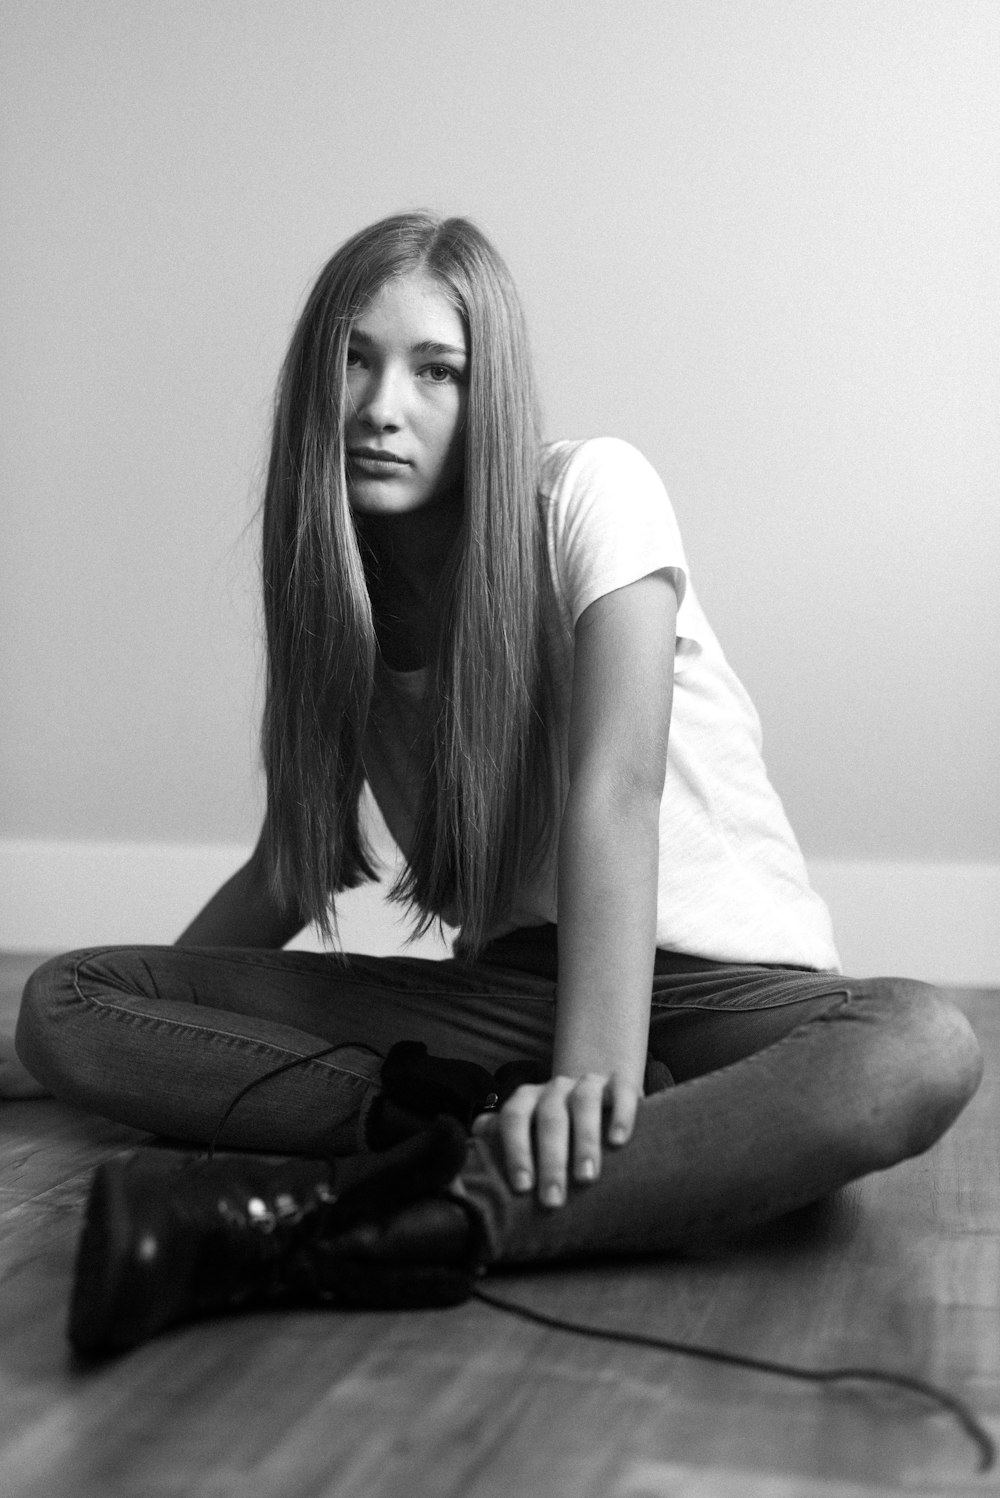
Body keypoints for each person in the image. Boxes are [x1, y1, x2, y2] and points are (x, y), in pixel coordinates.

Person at [12, 212, 983, 1355]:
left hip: (729, 998)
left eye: (436, 371)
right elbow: (292, 866)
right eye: (355, 359)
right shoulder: (337, 603)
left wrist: (591, 1078)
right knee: (62, 1003)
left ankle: (386, 1220)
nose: (382, 405)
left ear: (489, 397)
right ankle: (584, 1148)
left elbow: (614, 789)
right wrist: (139, 1025)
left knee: (920, 1046)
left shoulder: (589, 492)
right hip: (496, 1007)